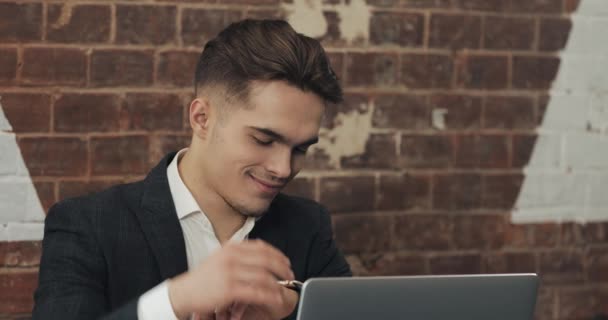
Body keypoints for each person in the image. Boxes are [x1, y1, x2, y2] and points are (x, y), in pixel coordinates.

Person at [32, 19, 351, 320]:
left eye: (300, 149)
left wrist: (291, 310)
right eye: (263, 139)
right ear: (202, 119)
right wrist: (175, 300)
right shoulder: (87, 226)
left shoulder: (309, 227)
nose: (283, 169)